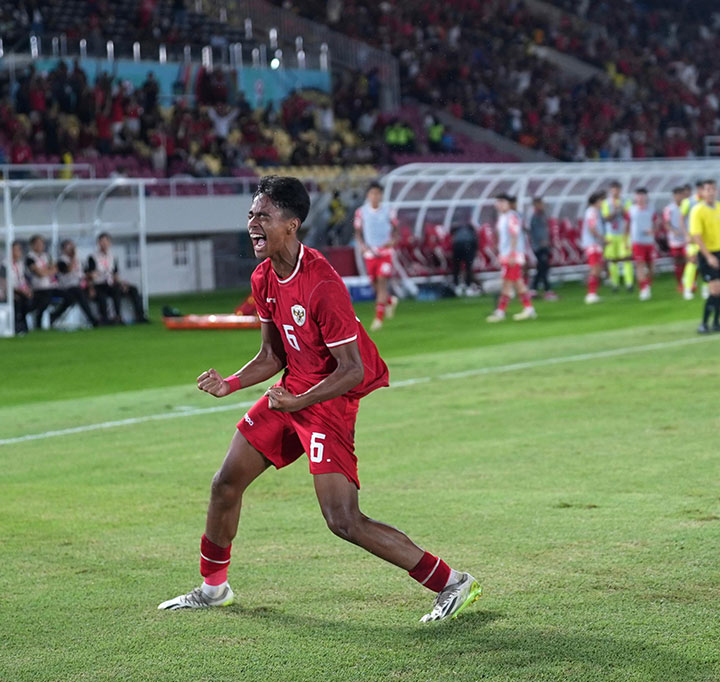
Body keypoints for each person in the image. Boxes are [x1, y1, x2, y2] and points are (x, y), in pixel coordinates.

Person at [158, 176, 481, 622]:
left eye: (262, 216)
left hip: (328, 402)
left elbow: (353, 370)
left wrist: (299, 400)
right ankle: (213, 589)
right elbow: (272, 355)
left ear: (291, 224)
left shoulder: (321, 284)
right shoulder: (264, 276)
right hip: (291, 394)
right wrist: (230, 384)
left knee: (343, 520)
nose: (252, 223)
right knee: (225, 482)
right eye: (251, 215)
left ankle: (451, 581)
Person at [689, 179, 720, 333]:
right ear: (702, 192)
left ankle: (716, 322)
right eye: (707, 189)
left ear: (717, 191)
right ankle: (703, 324)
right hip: (706, 254)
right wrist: (708, 256)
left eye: (713, 189)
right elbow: (696, 236)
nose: (710, 192)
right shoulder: (697, 210)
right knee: (714, 290)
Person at [353, 182, 399, 332]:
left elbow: (396, 229)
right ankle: (390, 301)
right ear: (368, 195)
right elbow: (358, 232)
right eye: (372, 193)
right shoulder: (361, 212)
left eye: (378, 194)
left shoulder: (388, 211)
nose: (375, 196)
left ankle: (378, 318)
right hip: (370, 253)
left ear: (381, 195)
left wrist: (393, 240)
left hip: (385, 252)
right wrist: (362, 245)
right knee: (374, 285)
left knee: (382, 281)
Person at [487, 194, 536, 322]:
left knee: (508, 283)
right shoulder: (503, 217)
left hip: (512, 255)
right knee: (515, 282)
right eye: (497, 202)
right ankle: (528, 309)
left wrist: (512, 254)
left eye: (501, 202)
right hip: (506, 255)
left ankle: (501, 311)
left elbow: (514, 235)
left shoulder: (511, 216)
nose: (498, 205)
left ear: (507, 203)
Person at [85, 233, 149, 324]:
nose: (104, 244)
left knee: (132, 289)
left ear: (109, 243)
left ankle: (139, 316)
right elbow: (89, 274)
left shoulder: (112, 257)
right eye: (102, 241)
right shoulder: (93, 257)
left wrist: (122, 283)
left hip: (111, 282)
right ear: (98, 243)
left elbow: (115, 274)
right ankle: (106, 318)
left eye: (106, 241)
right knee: (104, 295)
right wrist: (91, 287)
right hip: (99, 284)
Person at [52, 239, 99, 328]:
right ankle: (93, 320)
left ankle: (54, 315)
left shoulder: (78, 260)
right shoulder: (61, 261)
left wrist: (90, 282)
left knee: (80, 295)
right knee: (77, 294)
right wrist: (72, 258)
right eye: (69, 247)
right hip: (66, 287)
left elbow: (81, 275)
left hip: (79, 286)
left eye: (72, 247)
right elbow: (68, 270)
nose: (72, 249)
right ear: (63, 249)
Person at [600, 181, 634, 292]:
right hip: (611, 235)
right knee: (612, 260)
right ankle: (615, 284)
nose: (616, 191)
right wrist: (614, 211)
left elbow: (628, 216)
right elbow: (606, 218)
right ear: (610, 190)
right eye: (613, 189)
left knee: (626, 258)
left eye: (617, 189)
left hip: (623, 234)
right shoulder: (605, 203)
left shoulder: (626, 201)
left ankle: (629, 283)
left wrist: (621, 208)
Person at [628, 188, 657, 301]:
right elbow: (627, 224)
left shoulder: (651, 209)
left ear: (646, 197)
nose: (640, 198)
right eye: (638, 195)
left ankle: (647, 284)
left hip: (649, 241)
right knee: (640, 265)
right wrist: (626, 240)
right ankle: (643, 289)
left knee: (651, 267)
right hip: (637, 241)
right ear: (635, 197)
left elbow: (656, 223)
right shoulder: (631, 209)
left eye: (642, 195)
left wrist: (652, 230)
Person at [25, 235, 58, 330]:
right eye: (38, 243)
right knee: (41, 304)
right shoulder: (30, 258)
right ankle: (37, 322)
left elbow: (54, 269)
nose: (40, 246)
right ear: (32, 245)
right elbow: (40, 273)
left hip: (50, 285)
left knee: (70, 295)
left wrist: (46, 271)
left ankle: (53, 316)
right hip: (37, 287)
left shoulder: (46, 256)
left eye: (42, 243)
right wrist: (47, 271)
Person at [663, 185, 692, 295]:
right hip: (675, 240)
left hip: (687, 238)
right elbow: (666, 223)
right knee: (678, 262)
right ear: (674, 196)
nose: (680, 197)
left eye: (682, 194)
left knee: (690, 260)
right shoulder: (669, 209)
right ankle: (680, 283)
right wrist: (673, 230)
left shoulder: (687, 206)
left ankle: (690, 282)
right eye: (678, 195)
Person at [529, 197, 556, 301]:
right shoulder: (534, 216)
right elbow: (533, 231)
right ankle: (546, 290)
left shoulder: (542, 215)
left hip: (544, 246)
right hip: (539, 246)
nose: (542, 205)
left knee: (542, 268)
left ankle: (534, 289)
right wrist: (541, 241)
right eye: (540, 204)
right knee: (543, 268)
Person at [581, 191, 606, 304]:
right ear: (596, 201)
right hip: (592, 244)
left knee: (597, 268)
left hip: (595, 244)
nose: (602, 203)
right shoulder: (591, 212)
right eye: (601, 200)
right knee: (595, 269)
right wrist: (601, 238)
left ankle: (593, 293)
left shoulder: (594, 211)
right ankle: (590, 294)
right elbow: (592, 228)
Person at [6, 241, 32, 335]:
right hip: (9, 291)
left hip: (19, 290)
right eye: (17, 250)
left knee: (27, 302)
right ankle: (17, 326)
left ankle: (23, 325)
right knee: (18, 301)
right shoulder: (5, 264)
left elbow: (22, 279)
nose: (19, 252)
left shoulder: (20, 264)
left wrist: (27, 289)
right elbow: (5, 282)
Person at [450, 221, 479, 296]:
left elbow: (452, 241)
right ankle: (468, 287)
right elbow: (475, 243)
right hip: (468, 246)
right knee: (468, 268)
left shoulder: (458, 232)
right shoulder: (471, 232)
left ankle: (456, 286)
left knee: (456, 268)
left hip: (457, 247)